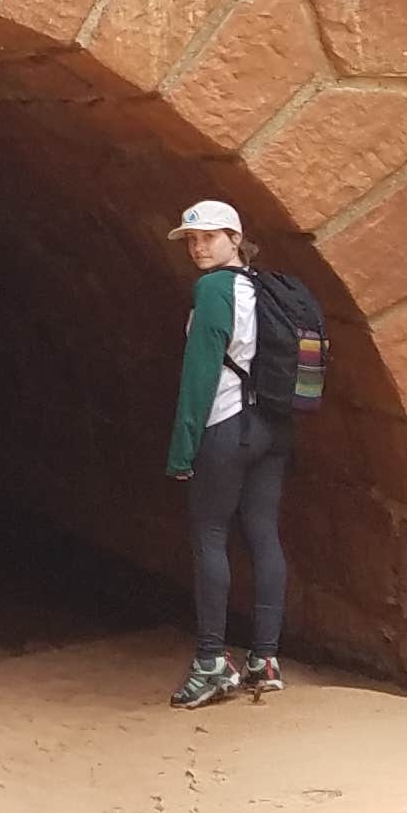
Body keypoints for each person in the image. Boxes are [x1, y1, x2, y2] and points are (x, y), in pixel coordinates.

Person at [163, 198, 290, 710]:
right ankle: (265, 659)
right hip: (272, 428)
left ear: (235, 239)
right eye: (192, 240)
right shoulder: (263, 287)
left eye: (209, 237)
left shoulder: (213, 289)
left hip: (225, 425)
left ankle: (211, 662)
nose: (198, 247)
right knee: (263, 534)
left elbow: (200, 375)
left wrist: (181, 450)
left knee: (209, 536)